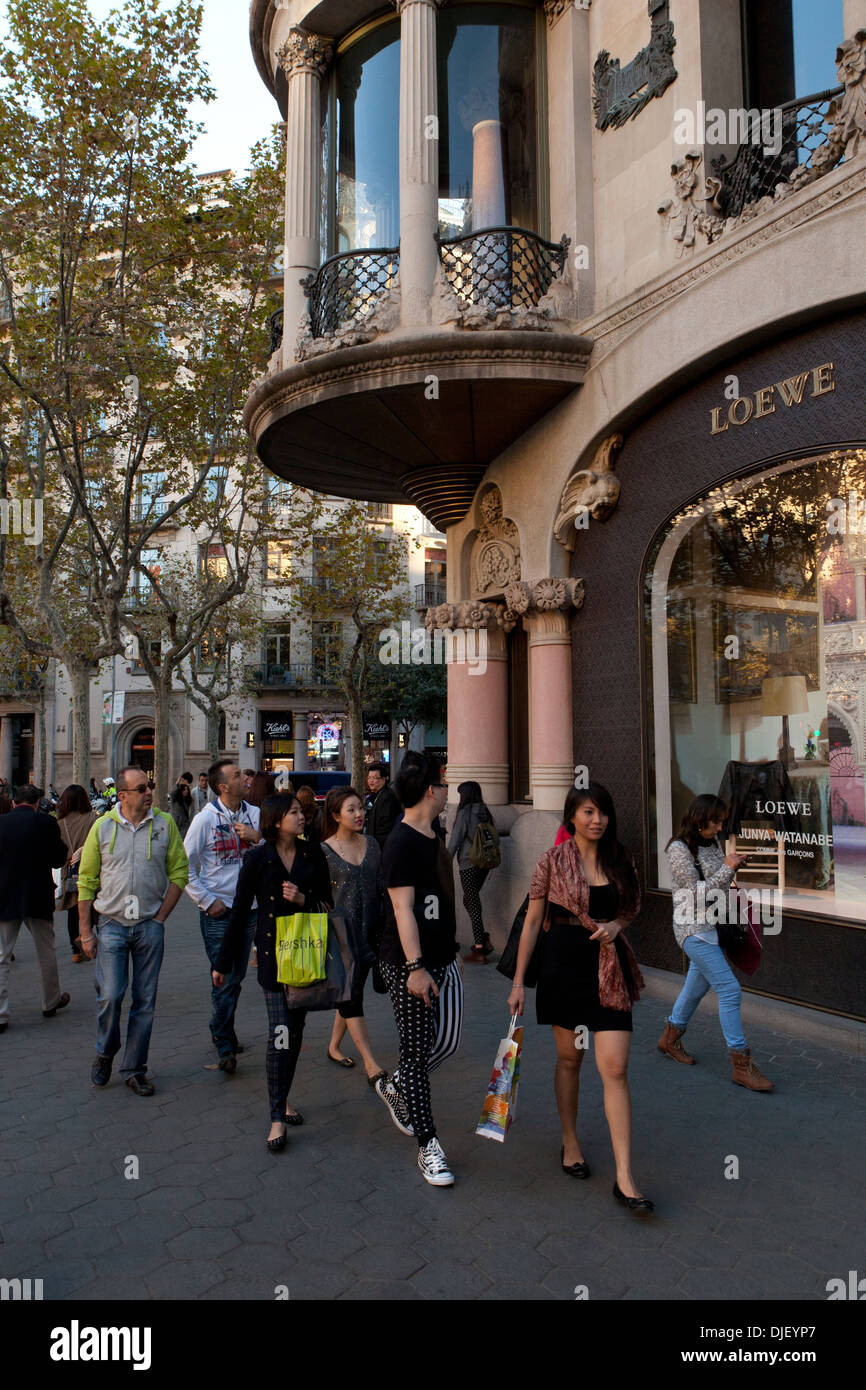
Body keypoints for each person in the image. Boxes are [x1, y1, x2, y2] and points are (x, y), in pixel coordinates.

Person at [508, 783, 653, 1214]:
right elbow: (533, 922)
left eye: (602, 812)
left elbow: (631, 906)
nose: (597, 820)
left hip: (608, 971)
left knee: (615, 1066)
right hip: (563, 967)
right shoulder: (551, 860)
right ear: (571, 817)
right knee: (571, 1059)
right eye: (588, 812)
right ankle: (570, 1141)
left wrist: (617, 926)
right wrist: (518, 982)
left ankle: (625, 1177)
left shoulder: (621, 858)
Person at [212, 792, 332, 1151]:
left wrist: (303, 901)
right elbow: (238, 911)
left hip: (307, 957)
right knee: (279, 1031)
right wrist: (223, 962)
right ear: (276, 820)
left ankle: (283, 1096)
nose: (302, 817)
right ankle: (277, 1116)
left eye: (301, 812)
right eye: (294, 813)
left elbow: (328, 904)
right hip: (273, 959)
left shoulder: (314, 855)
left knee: (294, 1033)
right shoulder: (258, 858)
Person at [77, 768, 188, 1093]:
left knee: (145, 1000)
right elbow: (86, 882)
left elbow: (179, 872)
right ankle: (105, 1053)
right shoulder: (102, 826)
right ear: (122, 795)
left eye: (150, 786)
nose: (149, 792)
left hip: (149, 926)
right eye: (141, 788)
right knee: (111, 995)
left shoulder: (164, 824)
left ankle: (135, 1068)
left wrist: (160, 918)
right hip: (111, 925)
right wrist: (86, 932)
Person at [380, 752, 463, 1187]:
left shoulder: (435, 832)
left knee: (445, 1043)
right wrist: (415, 967)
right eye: (444, 783)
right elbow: (402, 909)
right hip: (410, 964)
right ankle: (428, 1145)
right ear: (431, 791)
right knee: (416, 1052)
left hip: (445, 958)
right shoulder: (401, 842)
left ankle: (397, 1084)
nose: (449, 789)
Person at [660, 794, 774, 1092]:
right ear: (699, 817)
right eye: (716, 820)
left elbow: (719, 884)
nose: (720, 826)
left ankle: (669, 1038)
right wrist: (726, 868)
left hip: (715, 926)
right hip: (692, 929)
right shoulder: (678, 848)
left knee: (696, 987)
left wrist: (732, 867)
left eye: (722, 821)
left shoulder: (712, 843)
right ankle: (741, 1065)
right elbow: (696, 892)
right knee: (729, 989)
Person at [183, 760, 261, 1074]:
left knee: (236, 978)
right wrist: (206, 900)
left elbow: (274, 855)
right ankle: (225, 1044)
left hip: (252, 910)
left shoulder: (254, 814)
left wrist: (257, 836)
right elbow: (182, 865)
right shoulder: (205, 820)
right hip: (220, 912)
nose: (245, 777)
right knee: (225, 979)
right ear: (223, 787)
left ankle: (222, 1027)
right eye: (238, 775)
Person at [320, 786, 393, 1092]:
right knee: (351, 997)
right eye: (351, 809)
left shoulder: (373, 844)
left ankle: (334, 1046)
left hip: (371, 933)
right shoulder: (323, 851)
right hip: (340, 936)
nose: (359, 814)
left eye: (361, 808)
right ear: (336, 815)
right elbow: (321, 897)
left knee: (352, 993)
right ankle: (370, 1062)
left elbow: (382, 887)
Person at [0, 784, 70, 1033]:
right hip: (38, 896)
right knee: (46, 952)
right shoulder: (45, 823)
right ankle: (50, 1001)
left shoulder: (1, 823)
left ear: (14, 801)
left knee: (2, 957)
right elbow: (58, 858)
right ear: (38, 802)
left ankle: (1, 1014)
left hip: (5, 896)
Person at [448, 780, 496, 963]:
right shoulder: (485, 811)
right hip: (485, 863)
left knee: (472, 902)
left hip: (468, 862)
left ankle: (479, 948)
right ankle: (483, 939)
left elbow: (455, 839)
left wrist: (445, 861)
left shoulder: (465, 813)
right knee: (470, 899)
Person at [55, 785, 99, 963]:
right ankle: (87, 938)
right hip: (89, 870)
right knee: (91, 907)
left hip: (69, 871)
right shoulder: (92, 819)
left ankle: (76, 951)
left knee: (73, 912)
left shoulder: (59, 822)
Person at [364, 763, 401, 849]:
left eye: (374, 778)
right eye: (369, 778)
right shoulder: (378, 795)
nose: (370, 781)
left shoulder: (387, 797)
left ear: (384, 779)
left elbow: (385, 828)